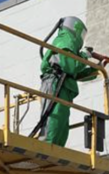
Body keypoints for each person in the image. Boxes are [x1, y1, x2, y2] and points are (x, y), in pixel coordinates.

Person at [37, 17, 97, 147]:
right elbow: (71, 66)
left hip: (62, 85)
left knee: (62, 121)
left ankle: (56, 148)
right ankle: (46, 146)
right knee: (55, 117)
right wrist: (84, 55)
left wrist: (96, 69)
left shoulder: (70, 46)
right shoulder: (64, 40)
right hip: (55, 84)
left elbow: (74, 73)